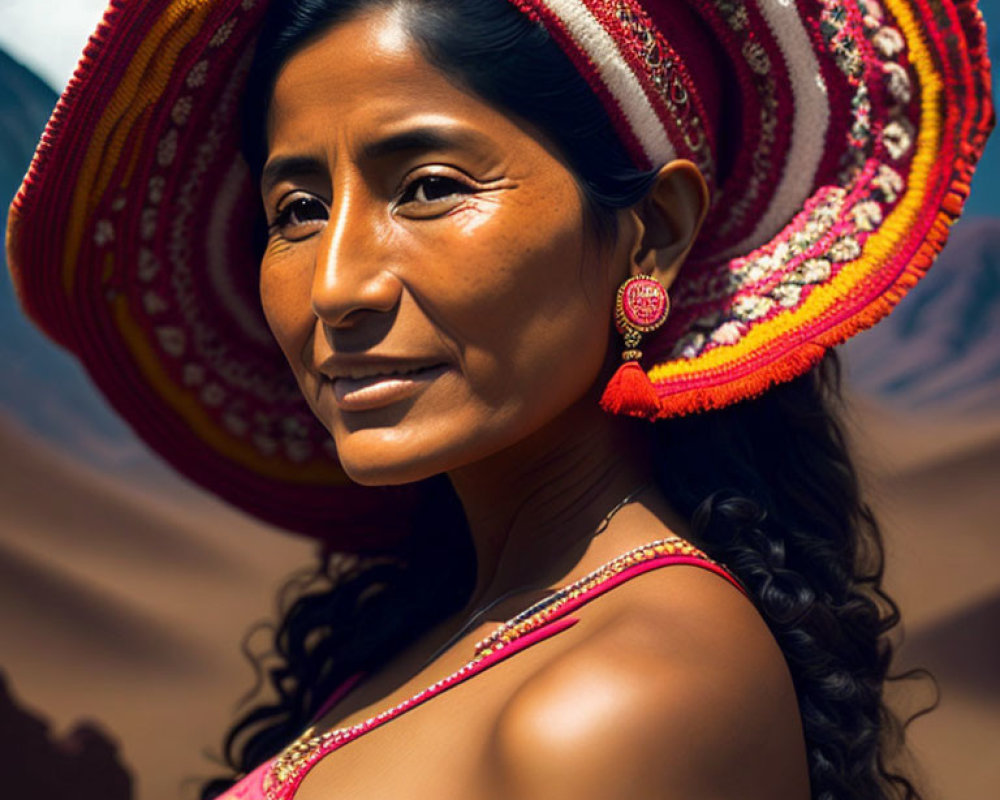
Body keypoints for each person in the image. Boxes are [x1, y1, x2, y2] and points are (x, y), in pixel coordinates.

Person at [5, 0, 993, 798]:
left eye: (429, 186)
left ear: (652, 231)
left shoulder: (624, 696)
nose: (339, 284)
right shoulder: (461, 624)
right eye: (298, 209)